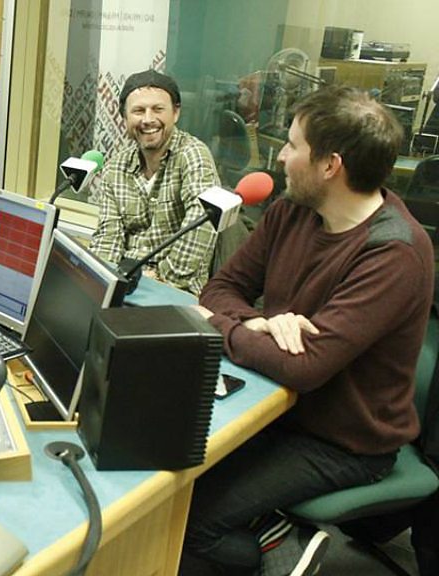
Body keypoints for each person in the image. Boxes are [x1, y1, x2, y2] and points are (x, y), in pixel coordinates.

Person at [181, 85, 434, 575]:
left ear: (330, 166)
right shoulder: (291, 211)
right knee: (169, 481)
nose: (280, 155)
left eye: (293, 145)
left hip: (343, 442)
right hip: (275, 407)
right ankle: (268, 528)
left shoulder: (395, 253)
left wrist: (217, 325)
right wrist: (256, 322)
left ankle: (281, 547)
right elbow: (222, 287)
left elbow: (305, 368)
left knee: (190, 520)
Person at [87, 69, 221, 295]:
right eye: (138, 111)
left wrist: (159, 278)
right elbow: (107, 239)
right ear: (125, 118)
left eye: (158, 109)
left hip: (177, 289)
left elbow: (201, 229)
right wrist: (102, 282)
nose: (148, 120)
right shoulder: (115, 168)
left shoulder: (193, 155)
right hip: (125, 283)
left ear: (175, 113)